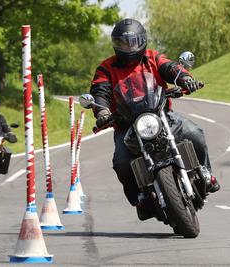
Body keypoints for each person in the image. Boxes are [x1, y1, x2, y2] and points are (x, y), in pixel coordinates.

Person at [89, 18, 220, 220]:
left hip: (161, 116)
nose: (129, 47)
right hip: (127, 125)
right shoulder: (106, 68)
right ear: (116, 44)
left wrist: (185, 78)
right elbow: (100, 91)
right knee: (121, 162)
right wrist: (102, 112)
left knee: (195, 134)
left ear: (142, 41)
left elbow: (171, 68)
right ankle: (140, 197)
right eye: (123, 43)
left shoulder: (152, 58)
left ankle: (204, 172)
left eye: (133, 42)